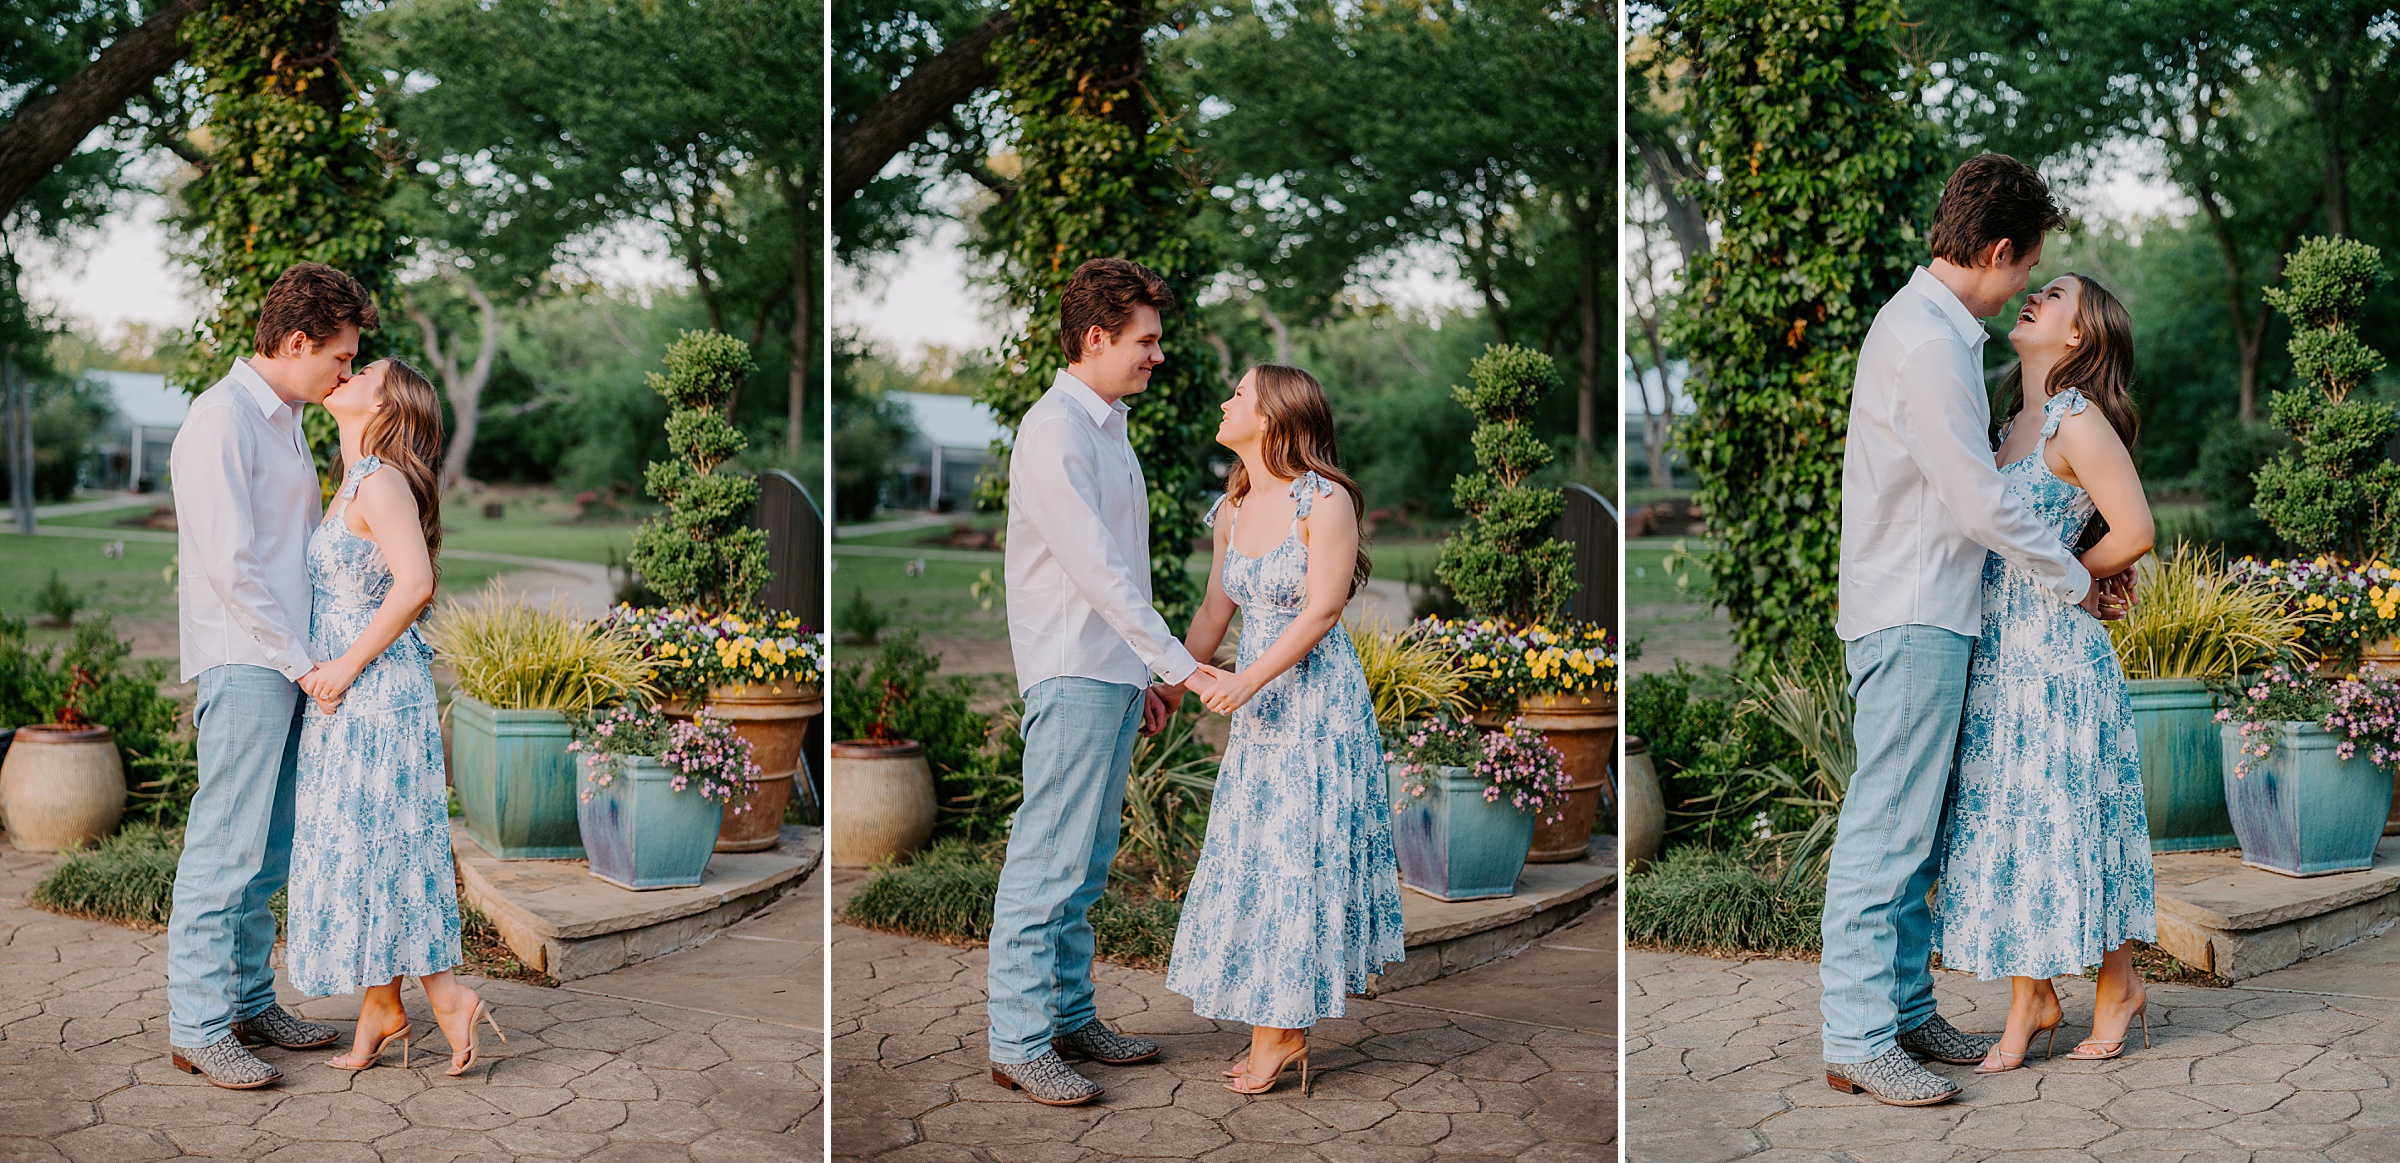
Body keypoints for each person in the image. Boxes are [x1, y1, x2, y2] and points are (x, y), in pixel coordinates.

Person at [1821, 153, 2136, 1107]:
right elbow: (1976, 501)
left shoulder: (1937, 333)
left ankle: (1907, 1009)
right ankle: (1858, 1035)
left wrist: (2079, 566)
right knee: (1887, 829)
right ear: (1998, 250)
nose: (2023, 289)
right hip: (1915, 611)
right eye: (2026, 267)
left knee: (1916, 830)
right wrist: (2074, 578)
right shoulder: (1926, 342)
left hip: (1936, 611)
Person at [986, 257, 1229, 1106]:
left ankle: (1068, 1015)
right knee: (1047, 860)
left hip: (1112, 673)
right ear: (1098, 337)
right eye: (1146, 340)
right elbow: (1095, 572)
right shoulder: (1055, 431)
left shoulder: (1106, 425)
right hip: (1072, 670)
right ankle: (1017, 1039)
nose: (1157, 354)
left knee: (1085, 864)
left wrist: (1149, 675)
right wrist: (1182, 666)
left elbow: (1126, 569)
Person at [1162, 363, 1406, 1097]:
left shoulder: (1323, 501)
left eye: (1239, 392)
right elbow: (1213, 611)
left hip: (1315, 711)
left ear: (1271, 417)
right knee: (1260, 855)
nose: (1226, 399)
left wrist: (1246, 678)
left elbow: (1322, 611)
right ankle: (1278, 1026)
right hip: (1259, 709)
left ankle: (1283, 1031)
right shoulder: (1232, 506)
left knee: (1297, 856)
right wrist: (1169, 684)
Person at [1936, 273, 2157, 1072]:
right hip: (2000, 661)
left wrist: (2086, 580)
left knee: (2079, 817)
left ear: (2078, 337)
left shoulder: (2076, 418)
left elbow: (2135, 528)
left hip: (2060, 659)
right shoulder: (2006, 428)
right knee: (2017, 820)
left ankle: (2119, 982)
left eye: (2055, 295)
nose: (2034, 295)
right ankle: (2031, 994)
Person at [165, 262, 373, 1089]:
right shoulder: (218, 421)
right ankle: (198, 1026)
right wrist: (302, 664)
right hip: (249, 659)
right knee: (226, 845)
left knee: (271, 847)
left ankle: (251, 1000)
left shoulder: (285, 417)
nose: (347, 373)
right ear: (296, 342)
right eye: (341, 357)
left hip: (292, 659)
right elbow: (231, 568)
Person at [283, 357, 505, 1077]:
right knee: (371, 840)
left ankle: (443, 994)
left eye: (363, 370)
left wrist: (343, 667)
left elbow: (415, 583)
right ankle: (384, 1005)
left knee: (385, 838)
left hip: (373, 692)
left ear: (388, 404)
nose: (345, 372)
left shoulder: (379, 479)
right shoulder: (355, 478)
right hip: (355, 696)